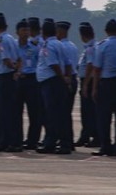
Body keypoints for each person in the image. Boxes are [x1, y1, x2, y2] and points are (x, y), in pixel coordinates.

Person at [92, 19, 116, 156]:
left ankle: (105, 146)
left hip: (106, 83)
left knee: (103, 118)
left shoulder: (102, 46)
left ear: (106, 31)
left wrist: (95, 88)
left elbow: (97, 69)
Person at [36, 19, 71, 154]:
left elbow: (53, 64)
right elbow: (68, 63)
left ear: (43, 32)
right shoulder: (59, 44)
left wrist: (62, 77)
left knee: (52, 115)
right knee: (59, 114)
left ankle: (53, 143)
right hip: (56, 83)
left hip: (51, 83)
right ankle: (58, 142)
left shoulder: (48, 46)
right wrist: (67, 78)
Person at [0, 13, 20, 152]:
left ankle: (5, 141)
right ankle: (13, 141)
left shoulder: (0, 40)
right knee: (11, 111)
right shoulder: (11, 39)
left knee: (4, 112)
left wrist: (13, 68)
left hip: (4, 77)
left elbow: (6, 59)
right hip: (10, 77)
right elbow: (18, 58)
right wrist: (16, 70)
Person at [14, 18, 41, 150]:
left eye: (27, 30)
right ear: (17, 32)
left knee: (34, 112)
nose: (26, 33)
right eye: (23, 30)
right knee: (16, 112)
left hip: (31, 80)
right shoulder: (13, 47)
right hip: (18, 80)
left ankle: (32, 141)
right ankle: (17, 140)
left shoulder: (35, 48)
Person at [56, 21, 78, 150]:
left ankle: (65, 141)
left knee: (62, 113)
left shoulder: (61, 46)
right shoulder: (72, 45)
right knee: (66, 112)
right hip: (72, 78)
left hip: (65, 79)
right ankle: (68, 140)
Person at [76, 22, 98, 148]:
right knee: (88, 111)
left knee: (88, 111)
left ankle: (92, 135)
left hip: (88, 81)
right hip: (90, 81)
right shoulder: (93, 46)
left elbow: (90, 65)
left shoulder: (90, 48)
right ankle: (86, 135)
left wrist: (85, 85)